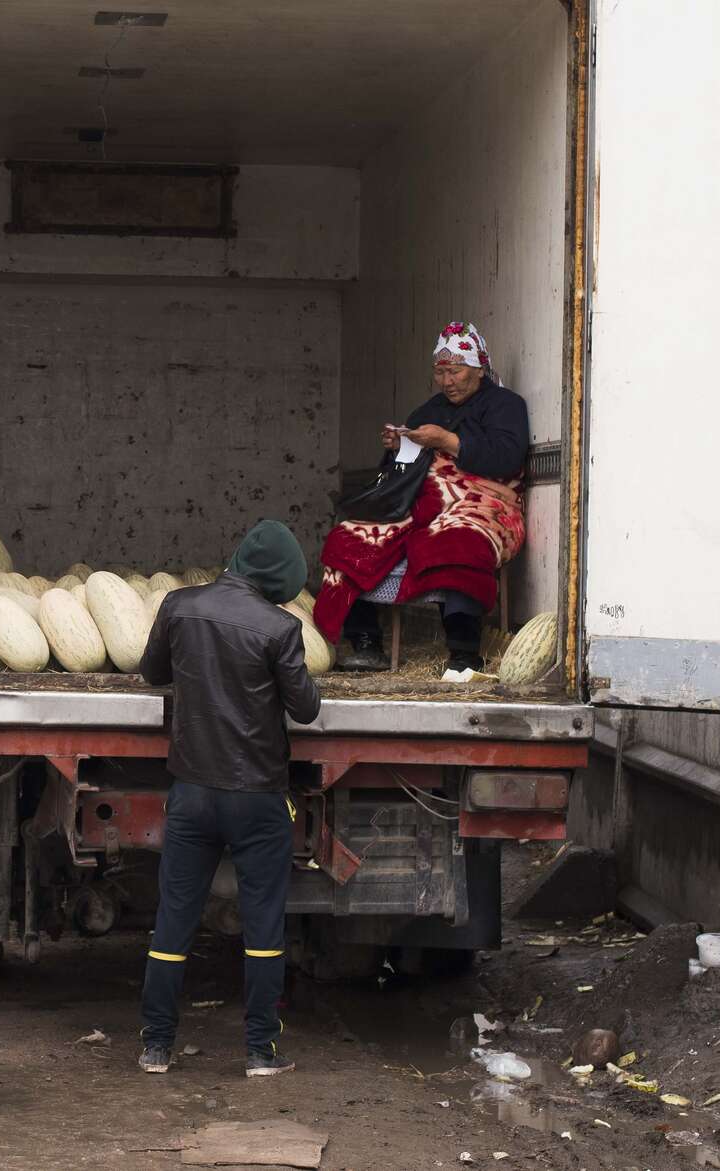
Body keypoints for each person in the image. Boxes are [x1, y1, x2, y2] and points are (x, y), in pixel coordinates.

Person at [136, 519, 322, 1079]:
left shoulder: (179, 606)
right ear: (280, 578)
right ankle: (261, 1052)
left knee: (174, 919)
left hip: (192, 793)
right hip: (257, 798)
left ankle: (156, 1047)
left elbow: (152, 674)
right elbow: (306, 709)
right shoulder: (280, 628)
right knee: (263, 923)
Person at [313, 321, 529, 683]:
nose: (447, 381)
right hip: (419, 502)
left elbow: (507, 459)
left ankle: (463, 652)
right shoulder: (426, 412)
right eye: (440, 371)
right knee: (349, 536)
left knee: (457, 540)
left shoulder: (506, 405)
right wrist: (399, 450)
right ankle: (365, 641)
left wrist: (447, 441)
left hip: (484, 504)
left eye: (455, 370)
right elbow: (400, 478)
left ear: (479, 368)